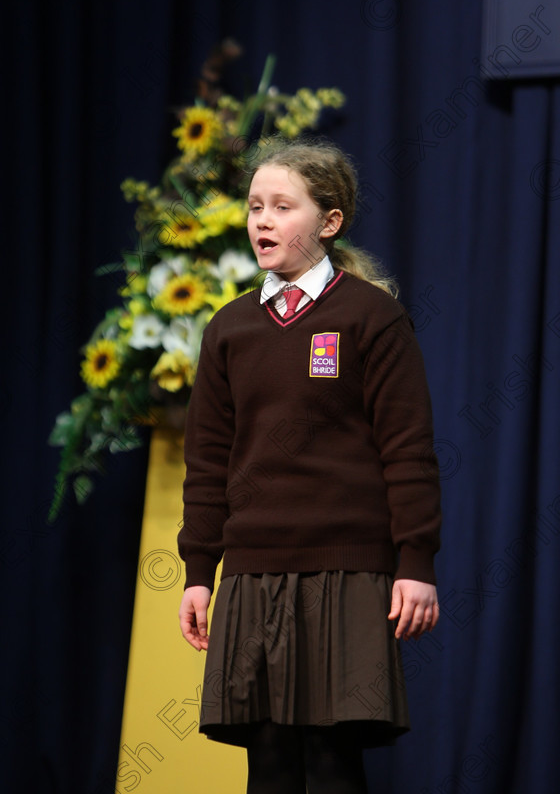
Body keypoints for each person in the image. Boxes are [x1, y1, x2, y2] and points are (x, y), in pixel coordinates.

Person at [178, 138, 442, 794]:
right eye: (254, 207)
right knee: (267, 761)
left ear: (329, 222)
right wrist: (198, 572)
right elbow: (207, 458)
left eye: (281, 207)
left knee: (331, 762)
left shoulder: (371, 317)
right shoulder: (229, 328)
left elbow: (407, 447)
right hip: (253, 571)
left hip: (346, 572)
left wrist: (415, 563)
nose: (261, 220)